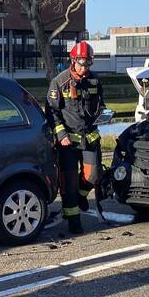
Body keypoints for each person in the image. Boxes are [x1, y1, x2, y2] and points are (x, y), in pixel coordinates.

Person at [46, 41, 105, 235]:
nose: (85, 67)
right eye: (81, 63)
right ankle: (73, 220)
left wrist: (104, 116)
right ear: (73, 61)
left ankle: (82, 197)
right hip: (68, 143)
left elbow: (100, 107)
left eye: (88, 63)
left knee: (93, 175)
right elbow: (52, 112)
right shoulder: (59, 82)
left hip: (90, 139)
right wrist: (61, 135)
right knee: (69, 183)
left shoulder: (95, 81)